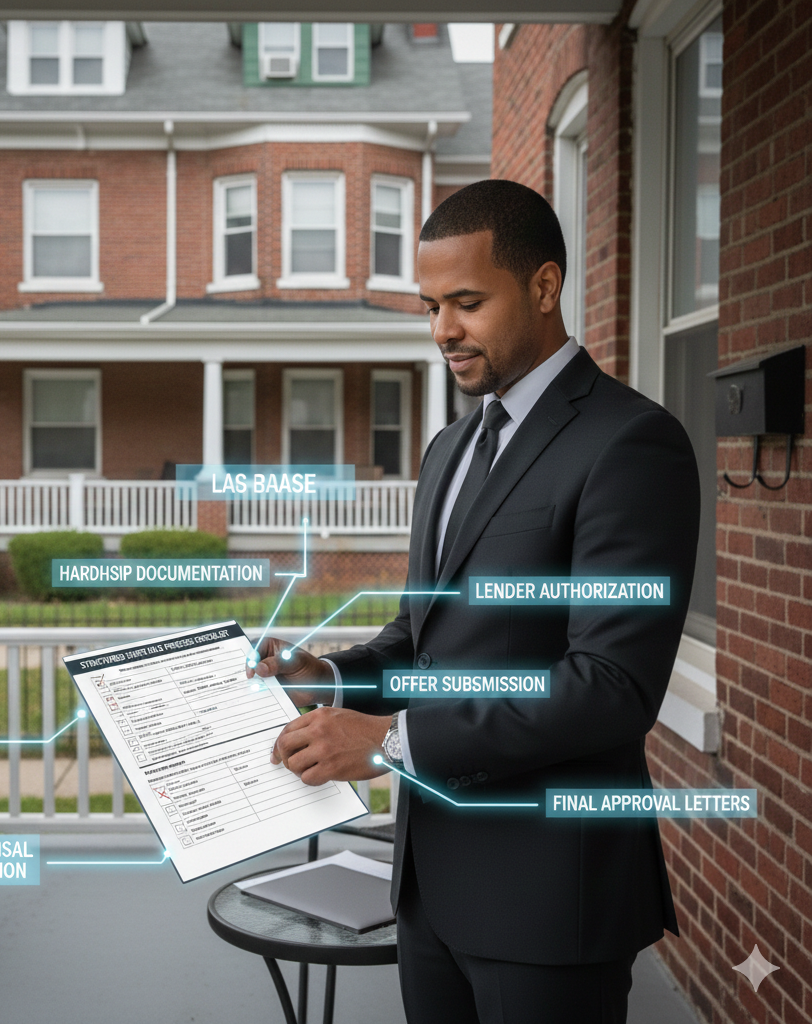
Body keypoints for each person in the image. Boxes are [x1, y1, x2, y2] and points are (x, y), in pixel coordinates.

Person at [247, 179, 701, 1024]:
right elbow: (422, 638)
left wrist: (389, 741)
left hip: (549, 902)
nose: (442, 330)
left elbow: (610, 686)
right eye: (428, 306)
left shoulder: (632, 443)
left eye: (466, 302)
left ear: (542, 286)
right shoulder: (450, 448)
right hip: (429, 889)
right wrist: (331, 682)